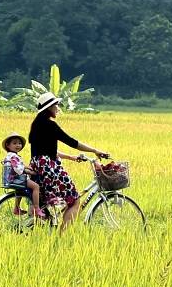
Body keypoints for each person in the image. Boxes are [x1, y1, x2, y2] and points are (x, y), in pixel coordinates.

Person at [27, 92, 110, 230]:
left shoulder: (36, 125)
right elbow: (72, 142)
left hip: (38, 165)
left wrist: (71, 157)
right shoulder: (50, 125)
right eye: (56, 105)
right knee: (74, 201)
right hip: (49, 168)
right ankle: (62, 237)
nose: (58, 107)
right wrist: (95, 150)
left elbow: (46, 151)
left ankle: (46, 224)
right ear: (49, 108)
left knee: (48, 203)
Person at [1, 133, 45, 220]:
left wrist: (26, 167)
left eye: (19, 143)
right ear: (8, 145)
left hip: (12, 179)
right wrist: (30, 172)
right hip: (16, 179)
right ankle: (37, 208)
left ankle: (16, 208)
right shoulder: (13, 156)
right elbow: (18, 169)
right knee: (36, 187)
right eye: (14, 143)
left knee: (20, 190)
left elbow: (18, 165)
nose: (18, 145)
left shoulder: (11, 155)